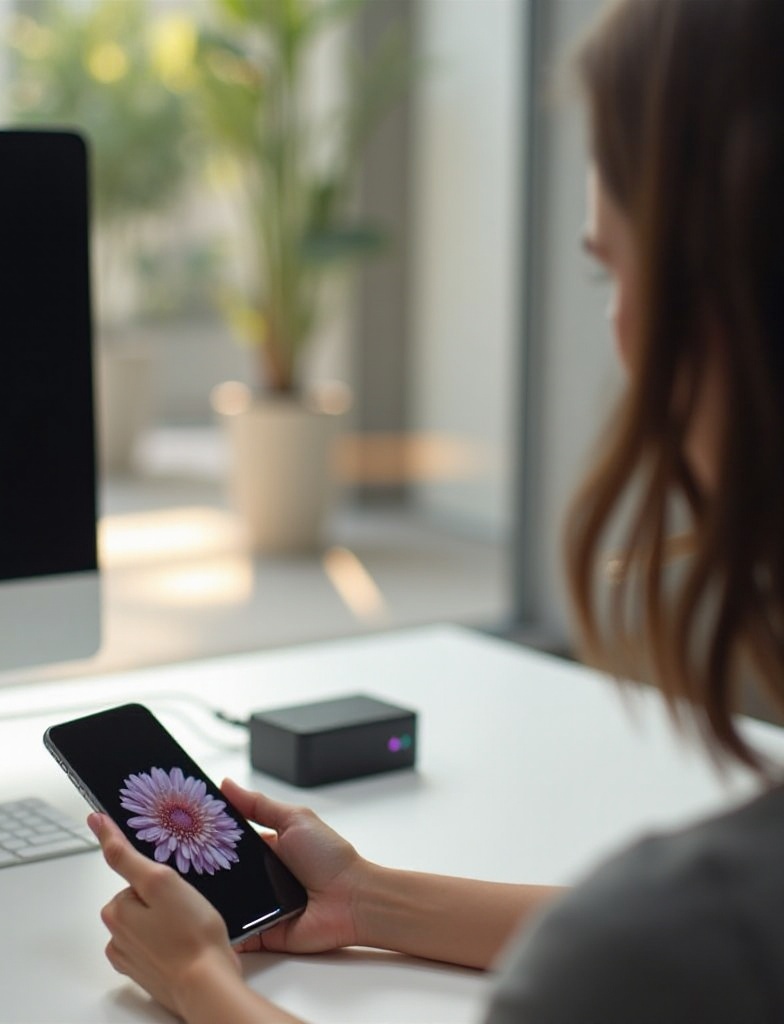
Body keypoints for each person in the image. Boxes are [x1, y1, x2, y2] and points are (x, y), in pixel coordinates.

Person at [86, 0, 784, 1020]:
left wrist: (198, 980)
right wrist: (371, 900)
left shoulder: (686, 935)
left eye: (611, 266)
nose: (618, 327)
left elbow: (650, 959)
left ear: (711, 313)